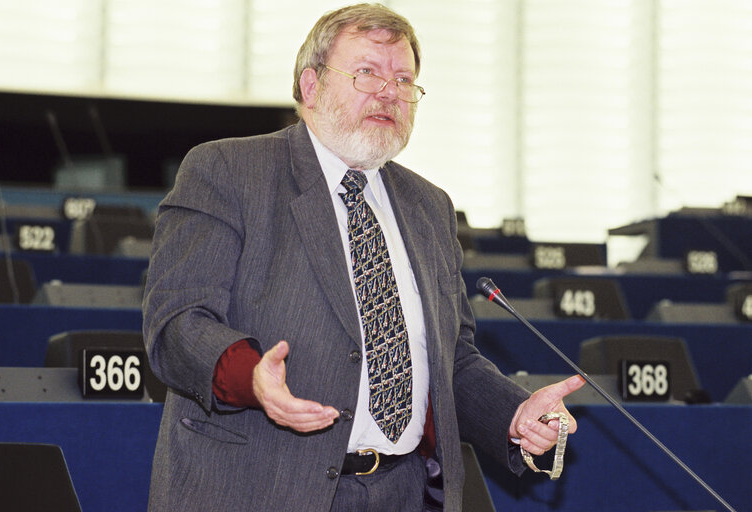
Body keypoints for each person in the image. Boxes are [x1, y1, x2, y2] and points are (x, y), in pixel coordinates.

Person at [142, 3, 585, 511]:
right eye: (367, 72)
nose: (389, 92)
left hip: (403, 490)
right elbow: (178, 322)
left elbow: (450, 360)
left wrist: (515, 415)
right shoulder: (227, 169)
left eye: (403, 80)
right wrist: (250, 378)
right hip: (261, 487)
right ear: (311, 87)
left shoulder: (430, 207)